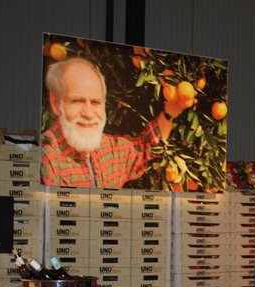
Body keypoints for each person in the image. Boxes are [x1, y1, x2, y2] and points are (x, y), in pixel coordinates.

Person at [40, 57, 185, 188]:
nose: (88, 114)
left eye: (95, 102)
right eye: (77, 101)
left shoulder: (107, 149)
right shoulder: (45, 158)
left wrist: (170, 112)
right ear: (55, 103)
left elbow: (145, 147)